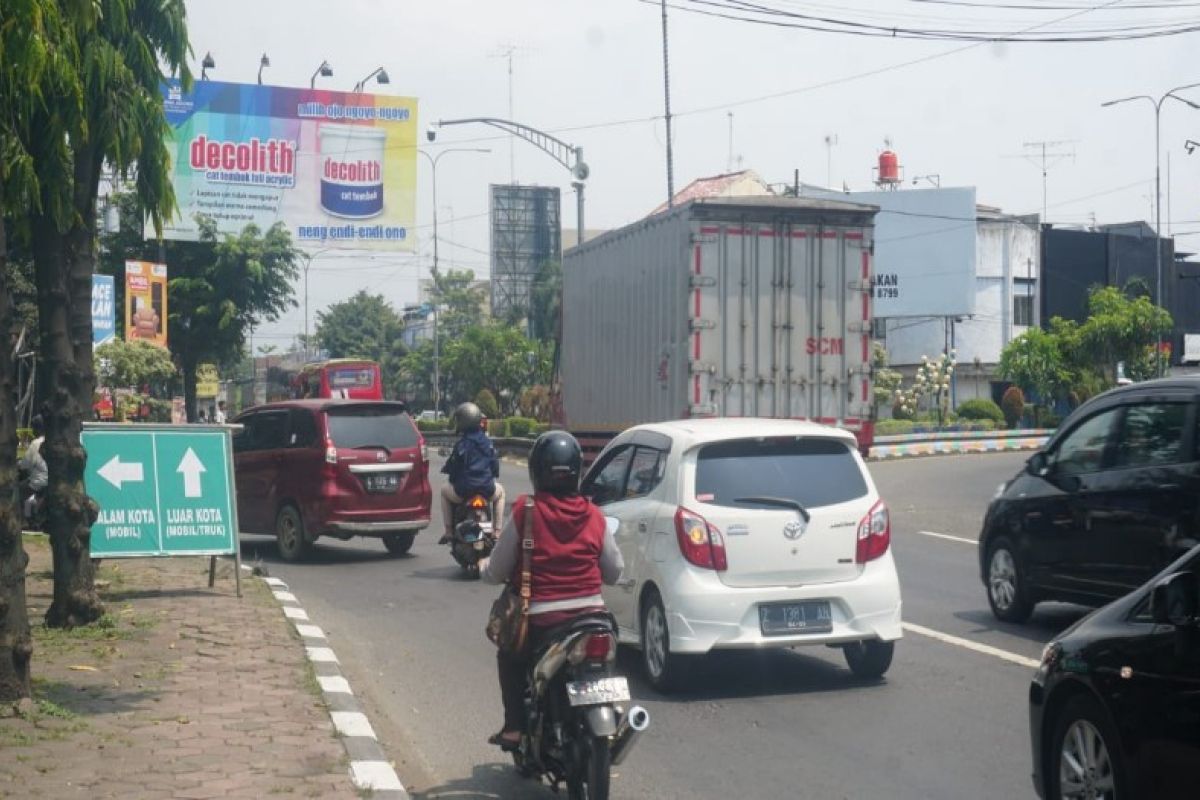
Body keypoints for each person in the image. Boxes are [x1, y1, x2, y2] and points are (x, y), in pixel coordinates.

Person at [480, 431, 624, 750]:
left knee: (509, 655)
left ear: (536, 472)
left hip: (543, 623)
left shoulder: (525, 512)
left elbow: (497, 569)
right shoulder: (594, 515)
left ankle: (515, 728)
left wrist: (483, 569)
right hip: (594, 620)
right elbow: (614, 572)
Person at [439, 402, 505, 544]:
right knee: (501, 493)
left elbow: (454, 468)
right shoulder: (487, 443)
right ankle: (498, 531)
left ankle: (449, 531)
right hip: (487, 490)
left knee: (444, 492)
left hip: (463, 491)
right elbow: (495, 466)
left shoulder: (462, 445)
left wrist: (450, 474)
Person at [18, 415, 48, 520]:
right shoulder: (51, 441)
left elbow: (25, 465)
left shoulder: (36, 443)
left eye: (34, 428)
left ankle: (24, 520)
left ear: (38, 428)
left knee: (16, 492)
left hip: (38, 481)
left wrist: (17, 464)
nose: (32, 431)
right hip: (49, 480)